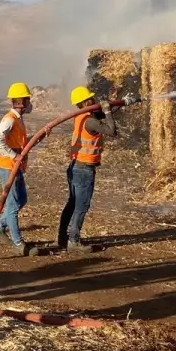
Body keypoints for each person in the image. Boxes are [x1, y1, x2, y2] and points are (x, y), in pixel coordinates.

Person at [58, 86, 119, 254]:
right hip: (84, 169)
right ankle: (73, 241)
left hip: (75, 166)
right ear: (85, 102)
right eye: (91, 99)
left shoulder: (81, 116)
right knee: (81, 206)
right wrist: (107, 112)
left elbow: (100, 115)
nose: (94, 100)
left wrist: (119, 104)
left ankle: (62, 237)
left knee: (72, 203)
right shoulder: (90, 121)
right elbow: (111, 131)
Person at [0, 82, 33, 256]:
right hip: (6, 166)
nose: (30, 103)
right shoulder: (9, 119)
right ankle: (18, 243)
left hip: (15, 165)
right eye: (28, 99)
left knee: (21, 200)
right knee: (13, 204)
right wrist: (13, 155)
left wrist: (37, 137)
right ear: (21, 102)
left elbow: (19, 142)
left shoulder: (18, 119)